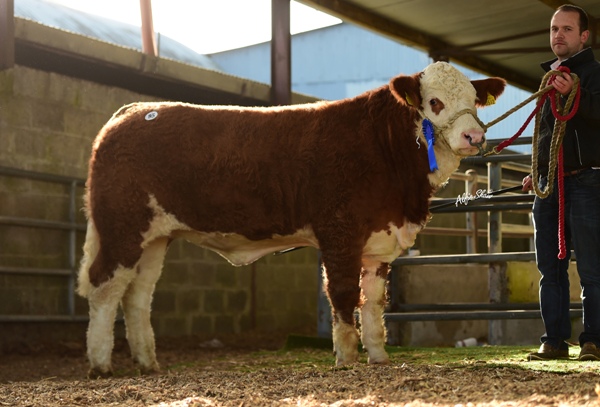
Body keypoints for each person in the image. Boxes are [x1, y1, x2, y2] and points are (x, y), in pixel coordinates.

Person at [522, 4, 600, 361]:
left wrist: (575, 96)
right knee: (549, 268)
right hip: (551, 184)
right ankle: (553, 340)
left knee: (591, 267)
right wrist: (538, 170)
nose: (558, 35)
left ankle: (593, 340)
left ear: (584, 36)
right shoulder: (549, 79)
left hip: (588, 181)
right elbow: (546, 133)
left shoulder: (595, 75)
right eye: (554, 29)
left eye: (567, 29)